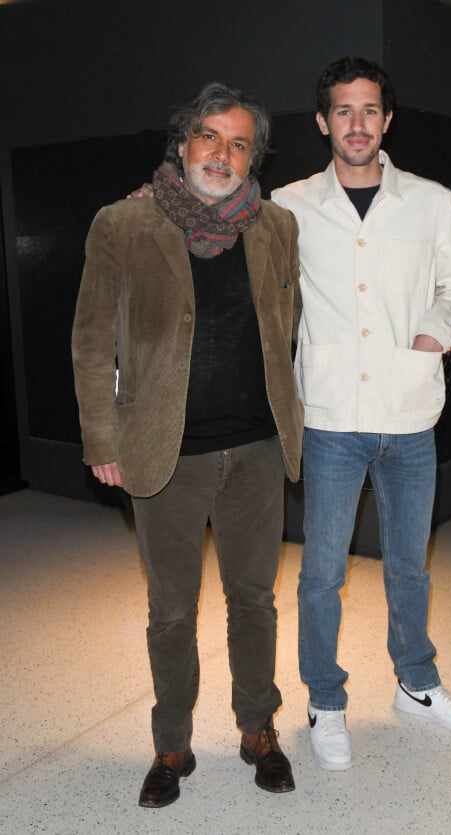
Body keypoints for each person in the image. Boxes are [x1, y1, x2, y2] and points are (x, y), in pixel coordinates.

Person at [71, 81, 303, 806]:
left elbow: (285, 330)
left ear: (252, 155)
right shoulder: (123, 224)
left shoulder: (277, 227)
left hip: (257, 451)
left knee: (255, 600)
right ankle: (172, 742)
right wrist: (100, 435)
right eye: (209, 136)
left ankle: (258, 727)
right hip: (164, 454)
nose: (222, 153)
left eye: (239, 142)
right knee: (171, 610)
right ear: (182, 143)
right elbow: (89, 339)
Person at [271, 56, 451, 772]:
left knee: (408, 567)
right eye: (342, 111)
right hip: (331, 416)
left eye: (369, 111)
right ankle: (325, 700)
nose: (356, 124)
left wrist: (433, 330)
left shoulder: (430, 201)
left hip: (411, 411)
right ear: (323, 121)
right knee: (321, 572)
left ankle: (416, 685)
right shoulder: (289, 205)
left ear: (386, 120)